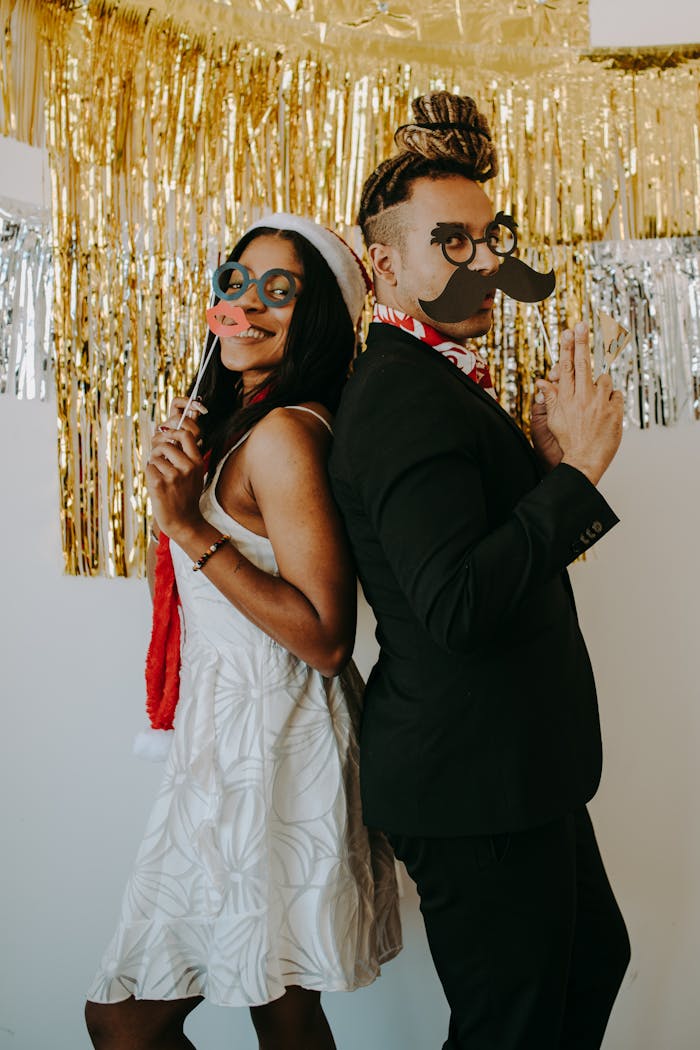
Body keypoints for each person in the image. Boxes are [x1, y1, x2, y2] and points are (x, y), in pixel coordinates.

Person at [328, 91, 631, 1050]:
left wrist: (543, 472)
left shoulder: (434, 380)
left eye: (488, 239)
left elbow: (466, 558)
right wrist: (577, 477)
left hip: (512, 766)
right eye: (449, 243)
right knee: (515, 1027)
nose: (484, 263)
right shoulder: (403, 398)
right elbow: (457, 604)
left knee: (592, 963)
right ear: (385, 262)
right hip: (473, 778)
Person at [84, 214, 402, 1050]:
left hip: (275, 748)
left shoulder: (287, 435)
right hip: (230, 744)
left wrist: (192, 528)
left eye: (280, 291)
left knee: (128, 1021)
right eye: (236, 281)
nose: (248, 303)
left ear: (319, 317)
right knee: (284, 1011)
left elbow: (328, 637)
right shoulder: (248, 425)